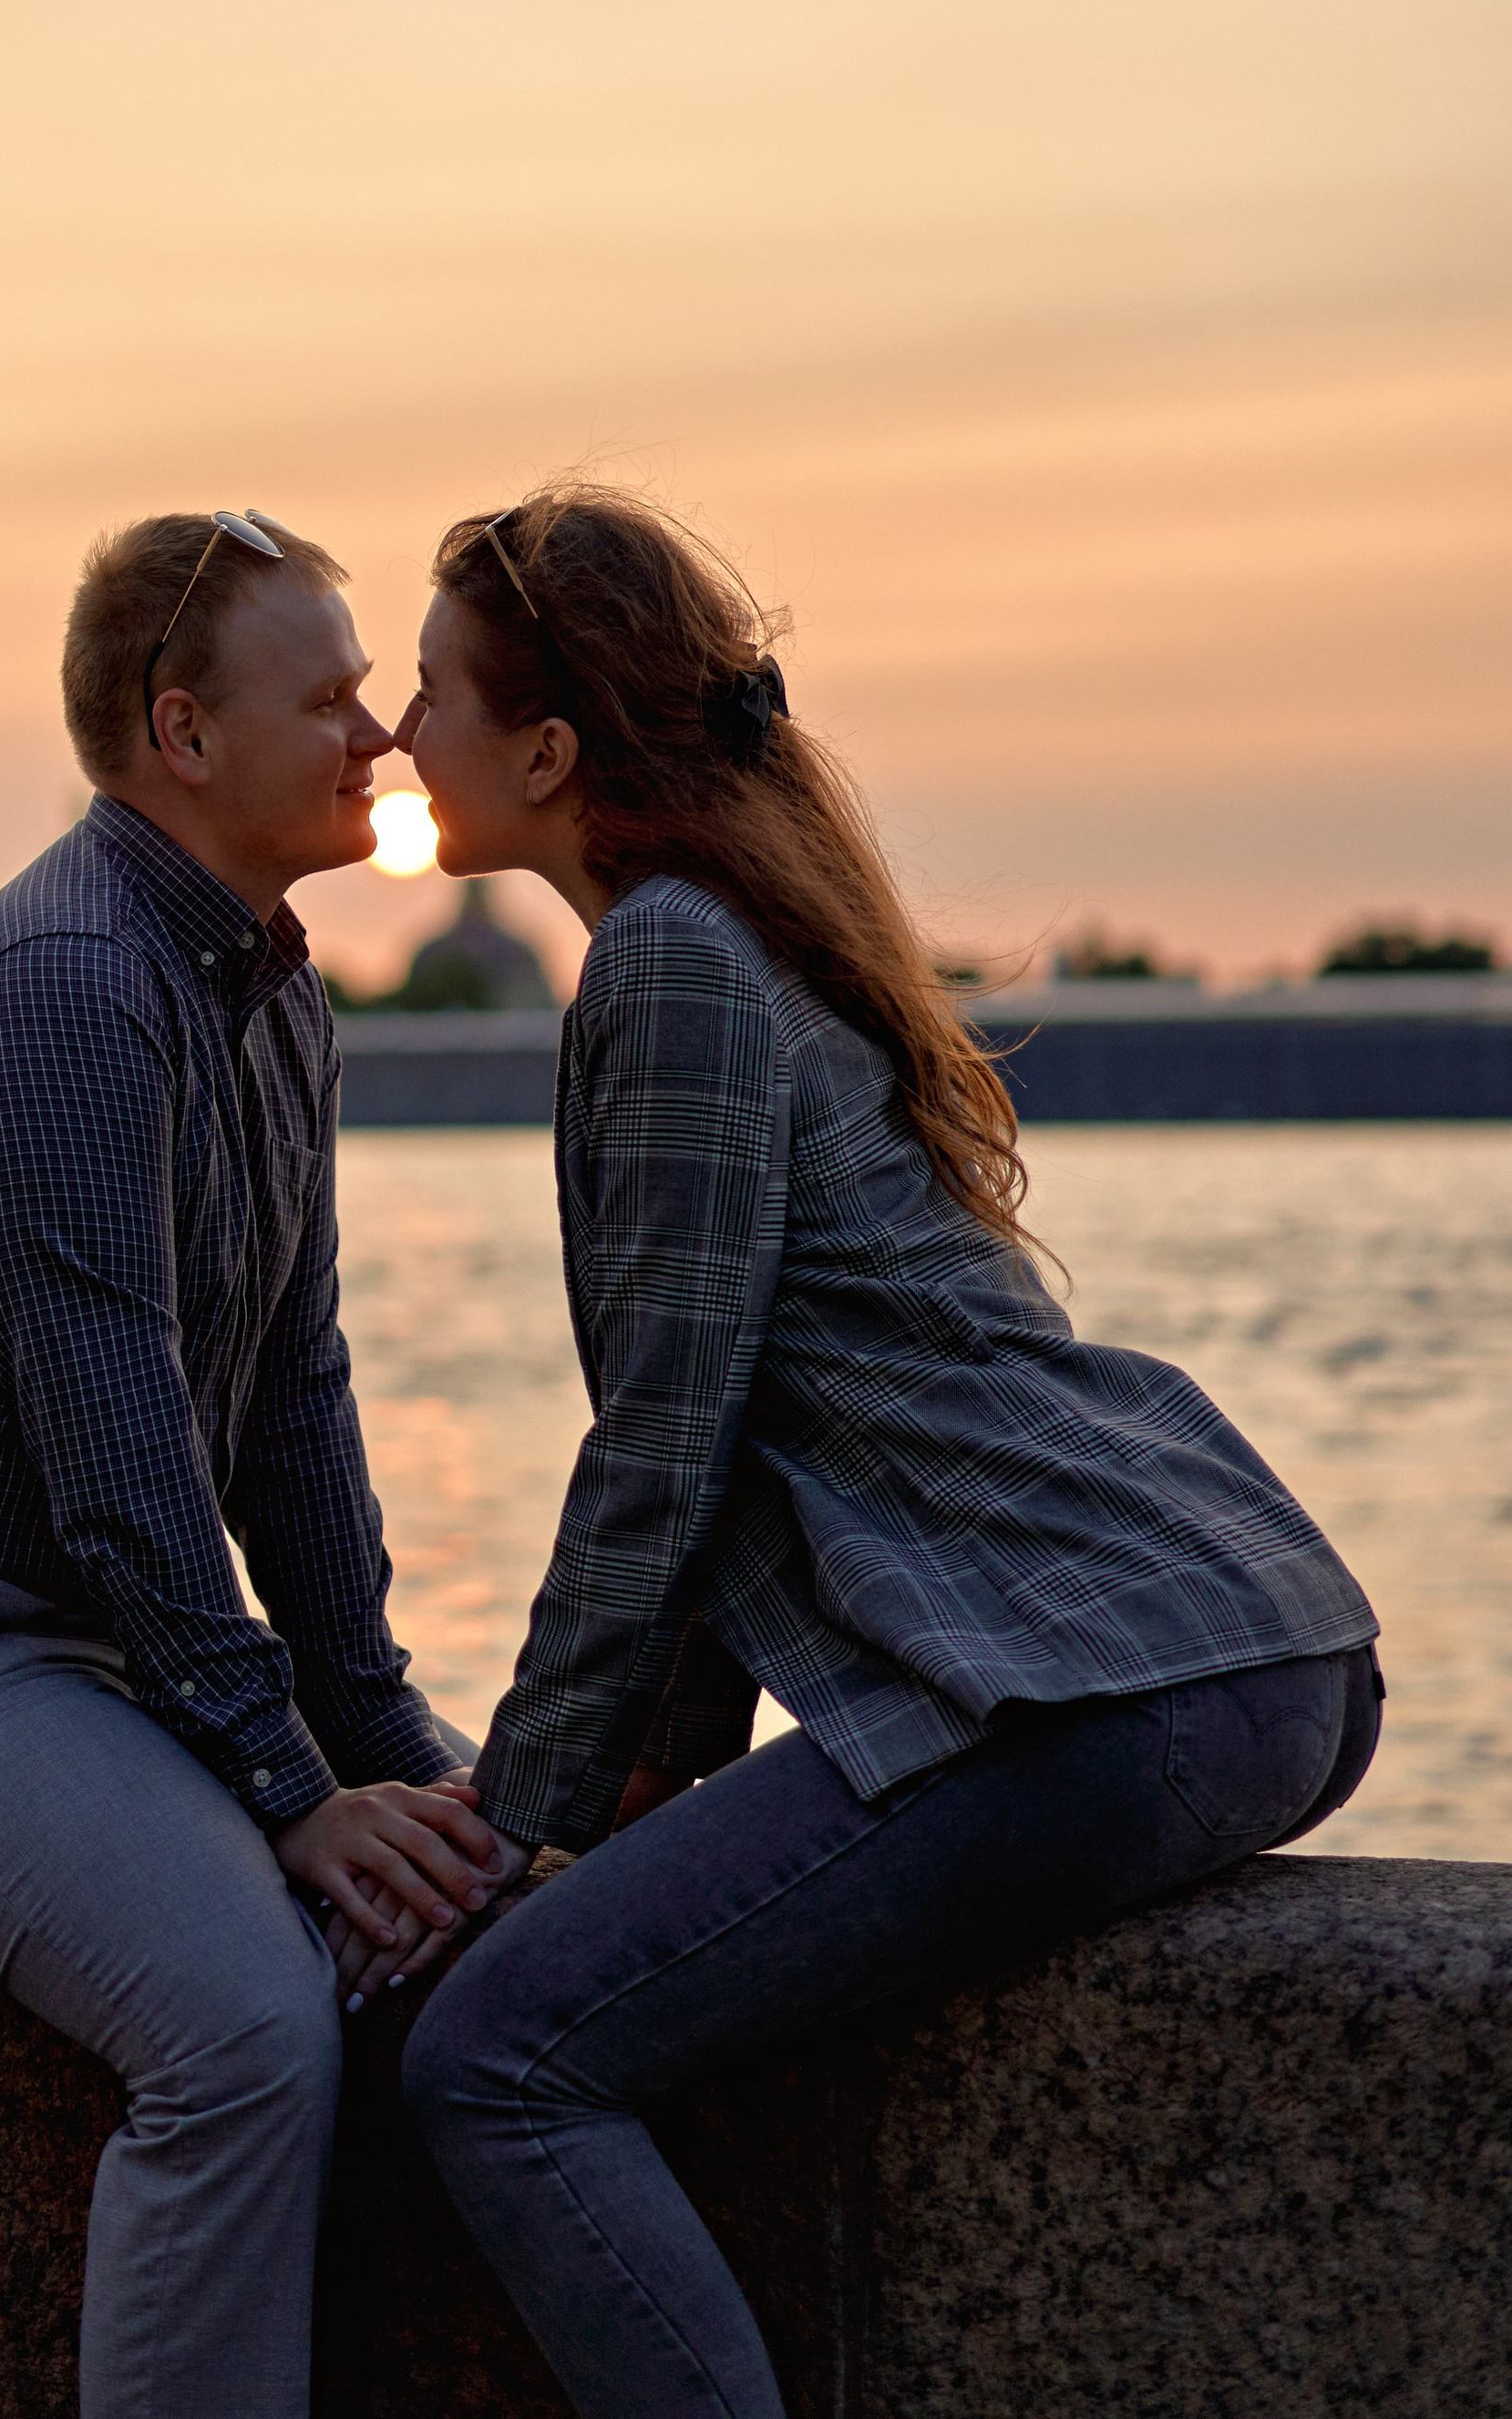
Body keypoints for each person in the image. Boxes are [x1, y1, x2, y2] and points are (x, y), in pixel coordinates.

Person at [376, 481, 1381, 2419]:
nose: (399, 731)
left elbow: (660, 1448)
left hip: (1083, 1692)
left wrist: (512, 1820)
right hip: (1247, 1645)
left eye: (428, 690)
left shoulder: (664, 963)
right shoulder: (737, 933)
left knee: (491, 2058)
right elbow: (744, 1433)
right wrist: (649, 1783)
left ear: (547, 749)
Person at [0, 508, 510, 2419]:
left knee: (505, 1899)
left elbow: (292, 1401)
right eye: (321, 700)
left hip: (81, 1653)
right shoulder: (62, 985)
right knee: (238, 2030)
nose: (376, 736)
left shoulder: (274, 987)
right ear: (180, 734)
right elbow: (119, 1447)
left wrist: (385, 1742)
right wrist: (286, 1787)